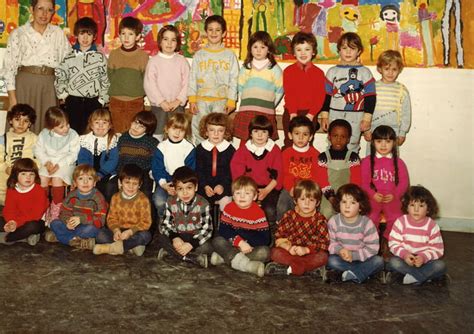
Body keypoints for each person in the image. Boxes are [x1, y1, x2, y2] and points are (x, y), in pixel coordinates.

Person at [3, 0, 71, 133]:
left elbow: (67, 63)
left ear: (53, 12)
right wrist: (12, 98)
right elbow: (9, 67)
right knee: (21, 125)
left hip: (49, 87)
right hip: (24, 86)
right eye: (40, 8)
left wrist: (64, 92)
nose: (44, 14)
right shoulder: (19, 33)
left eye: (49, 10)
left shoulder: (58, 34)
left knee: (49, 128)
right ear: (31, 9)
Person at [320, 32, 376, 151]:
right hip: (334, 115)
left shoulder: (365, 72)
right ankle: (332, 168)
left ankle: (352, 168)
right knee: (332, 145)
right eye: (344, 48)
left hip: (356, 116)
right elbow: (326, 95)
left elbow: (371, 97)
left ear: (359, 51)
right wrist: (324, 116)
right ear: (339, 51)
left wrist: (367, 118)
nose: (348, 52)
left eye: (352, 48)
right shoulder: (332, 72)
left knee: (352, 144)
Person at [187, 15, 239, 144]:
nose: (214, 33)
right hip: (201, 101)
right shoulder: (199, 55)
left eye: (217, 30)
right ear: (206, 32)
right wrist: (192, 99)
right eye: (210, 29)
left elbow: (234, 79)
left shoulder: (229, 55)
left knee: (220, 132)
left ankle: (220, 160)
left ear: (224, 33)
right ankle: (201, 159)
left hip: (221, 101)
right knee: (200, 131)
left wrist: (232, 101)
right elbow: (192, 77)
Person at [54, 17, 110, 135]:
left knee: (91, 133)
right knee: (73, 133)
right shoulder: (69, 57)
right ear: (76, 35)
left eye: (89, 34)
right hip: (73, 101)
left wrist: (102, 99)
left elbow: (105, 79)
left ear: (94, 36)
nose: (85, 38)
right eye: (81, 34)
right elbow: (60, 75)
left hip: (93, 102)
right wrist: (63, 94)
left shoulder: (100, 58)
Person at [265, 180, 329, 277]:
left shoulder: (320, 219)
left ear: (317, 202)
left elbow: (324, 243)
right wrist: (288, 247)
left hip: (310, 253)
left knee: (323, 257)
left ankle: (289, 269)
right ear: (295, 201)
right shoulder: (289, 216)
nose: (307, 204)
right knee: (274, 252)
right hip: (291, 251)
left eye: (311, 200)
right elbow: (279, 236)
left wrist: (306, 250)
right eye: (302, 199)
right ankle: (306, 269)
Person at [211, 176, 270, 277]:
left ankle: (224, 258)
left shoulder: (259, 213)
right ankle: (246, 265)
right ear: (233, 196)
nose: (242, 197)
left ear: (255, 196)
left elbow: (265, 239)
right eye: (238, 193)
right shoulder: (229, 208)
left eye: (247, 193)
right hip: (233, 243)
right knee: (217, 241)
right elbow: (223, 230)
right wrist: (239, 242)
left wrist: (246, 244)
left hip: (249, 248)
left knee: (265, 252)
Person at [231, 115, 282, 231]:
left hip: (269, 187)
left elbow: (278, 175)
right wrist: (249, 191)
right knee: (243, 206)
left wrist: (266, 190)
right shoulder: (243, 150)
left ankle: (270, 233)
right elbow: (237, 174)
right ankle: (241, 230)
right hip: (247, 188)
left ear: (269, 134)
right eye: (256, 131)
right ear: (250, 133)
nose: (260, 135)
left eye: (264, 132)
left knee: (269, 209)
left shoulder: (274, 150)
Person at [386, 186, 447, 285]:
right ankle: (422, 277)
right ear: (407, 206)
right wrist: (405, 255)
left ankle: (413, 277)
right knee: (393, 262)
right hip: (405, 259)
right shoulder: (401, 222)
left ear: (428, 209)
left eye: (421, 206)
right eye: (412, 205)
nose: (416, 209)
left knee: (440, 265)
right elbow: (393, 244)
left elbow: (437, 250)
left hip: (425, 262)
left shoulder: (432, 225)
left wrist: (423, 257)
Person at [361, 125, 409, 247]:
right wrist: (372, 194)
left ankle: (388, 241)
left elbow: (404, 183)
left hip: (392, 197)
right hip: (373, 197)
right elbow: (363, 183)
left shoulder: (399, 162)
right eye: (379, 141)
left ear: (394, 143)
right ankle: (372, 242)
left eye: (388, 141)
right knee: (370, 217)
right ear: (373, 142)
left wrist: (395, 195)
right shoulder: (367, 161)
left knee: (396, 217)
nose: (383, 145)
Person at [327, 184, 384, 283]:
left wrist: (354, 256)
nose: (347, 206)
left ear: (360, 207)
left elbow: (373, 248)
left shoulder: (367, 223)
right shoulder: (333, 221)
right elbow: (331, 243)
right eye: (344, 202)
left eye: (352, 202)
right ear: (338, 204)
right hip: (343, 258)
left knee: (378, 261)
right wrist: (340, 250)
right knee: (330, 260)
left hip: (363, 259)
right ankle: (360, 273)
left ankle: (353, 274)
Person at [157, 167, 213, 268]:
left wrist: (192, 244)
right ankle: (191, 258)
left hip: (194, 238)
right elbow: (165, 224)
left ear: (196, 187)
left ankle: (172, 254)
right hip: (178, 236)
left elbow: (207, 229)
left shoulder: (204, 204)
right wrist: (174, 237)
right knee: (161, 238)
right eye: (180, 189)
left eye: (189, 188)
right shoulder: (170, 201)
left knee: (207, 246)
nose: (185, 193)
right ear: (175, 189)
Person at [233, 31, 283, 143]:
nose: (258, 50)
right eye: (255, 47)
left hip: (266, 112)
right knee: (245, 142)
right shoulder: (246, 67)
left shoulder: (274, 69)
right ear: (250, 49)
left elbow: (280, 90)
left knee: (264, 142)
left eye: (262, 47)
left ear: (268, 49)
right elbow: (240, 87)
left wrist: (271, 104)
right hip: (247, 110)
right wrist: (246, 102)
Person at [93, 164, 152, 256]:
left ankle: (113, 248)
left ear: (140, 185)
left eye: (135, 184)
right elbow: (111, 219)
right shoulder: (115, 197)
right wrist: (116, 230)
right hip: (119, 232)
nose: (131, 187)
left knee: (146, 236)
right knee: (100, 234)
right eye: (127, 183)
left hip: (134, 232)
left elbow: (146, 222)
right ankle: (131, 247)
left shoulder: (143, 200)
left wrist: (130, 232)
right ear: (120, 183)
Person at [34, 106, 80, 224]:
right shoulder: (44, 134)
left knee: (57, 179)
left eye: (67, 124)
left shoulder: (73, 134)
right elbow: (38, 150)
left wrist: (59, 165)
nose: (66, 128)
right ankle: (43, 206)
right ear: (51, 128)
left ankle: (56, 208)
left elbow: (74, 154)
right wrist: (46, 162)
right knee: (42, 178)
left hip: (66, 164)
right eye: (61, 127)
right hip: (49, 163)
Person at [144, 25, 190, 141]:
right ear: (160, 41)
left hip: (177, 105)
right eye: (165, 39)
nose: (169, 43)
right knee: (157, 134)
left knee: (177, 132)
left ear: (177, 42)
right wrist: (161, 101)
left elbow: (188, 82)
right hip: (159, 106)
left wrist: (179, 100)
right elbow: (149, 84)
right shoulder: (153, 61)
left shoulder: (181, 61)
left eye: (173, 40)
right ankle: (158, 156)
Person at [277, 116, 327, 220]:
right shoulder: (286, 153)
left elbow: (318, 176)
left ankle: (310, 228)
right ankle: (281, 230)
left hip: (309, 190)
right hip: (290, 188)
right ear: (290, 135)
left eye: (305, 134)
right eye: (297, 134)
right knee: (282, 205)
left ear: (310, 137)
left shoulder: (316, 154)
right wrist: (291, 187)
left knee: (315, 206)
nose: (300, 138)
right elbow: (284, 174)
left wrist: (309, 190)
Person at [48, 164, 107, 249]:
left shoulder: (98, 197)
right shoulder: (71, 195)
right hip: (72, 227)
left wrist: (81, 219)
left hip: (86, 226)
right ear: (75, 183)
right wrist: (67, 221)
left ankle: (63, 237)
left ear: (94, 183)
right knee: (54, 223)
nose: (85, 182)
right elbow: (64, 212)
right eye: (81, 178)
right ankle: (77, 241)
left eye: (89, 179)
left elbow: (101, 220)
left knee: (92, 230)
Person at [282, 31, 325, 148]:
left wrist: (311, 115)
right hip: (291, 112)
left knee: (306, 144)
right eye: (299, 49)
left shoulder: (319, 73)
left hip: (310, 113)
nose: (303, 53)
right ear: (294, 53)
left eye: (307, 49)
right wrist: (292, 113)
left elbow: (320, 97)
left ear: (313, 51)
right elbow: (290, 94)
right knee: (289, 142)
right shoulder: (288, 71)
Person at [107, 16, 149, 133]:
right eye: (123, 33)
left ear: (138, 36)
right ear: (119, 35)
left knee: (134, 132)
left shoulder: (143, 56)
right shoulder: (114, 54)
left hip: (135, 100)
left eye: (130, 34)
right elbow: (110, 75)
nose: (126, 37)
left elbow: (146, 79)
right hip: (116, 100)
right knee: (117, 131)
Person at [364, 50, 411, 149]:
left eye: (394, 69)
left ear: (399, 70)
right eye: (386, 69)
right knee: (372, 160)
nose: (390, 73)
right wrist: (366, 130)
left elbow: (406, 114)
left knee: (391, 162)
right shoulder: (371, 88)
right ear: (379, 69)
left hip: (393, 132)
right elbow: (365, 109)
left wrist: (402, 133)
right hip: (374, 130)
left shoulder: (402, 90)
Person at [106, 111, 158, 201]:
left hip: (142, 174)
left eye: (141, 126)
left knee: (145, 194)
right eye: (135, 123)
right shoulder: (122, 138)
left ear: (147, 130)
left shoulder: (152, 142)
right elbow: (116, 159)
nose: (136, 127)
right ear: (131, 122)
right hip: (123, 172)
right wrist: (116, 175)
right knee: (110, 188)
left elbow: (155, 162)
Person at [152, 113, 195, 218]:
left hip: (183, 183)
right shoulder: (162, 147)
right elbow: (157, 168)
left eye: (181, 130)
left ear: (185, 132)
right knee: (159, 201)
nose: (177, 132)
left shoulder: (188, 148)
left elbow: (190, 170)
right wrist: (164, 185)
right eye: (174, 128)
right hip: (165, 182)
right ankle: (163, 222)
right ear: (166, 129)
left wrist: (180, 186)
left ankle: (181, 223)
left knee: (182, 203)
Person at [195, 113, 235, 223]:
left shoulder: (230, 150)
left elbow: (230, 171)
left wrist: (222, 185)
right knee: (202, 205)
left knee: (226, 203)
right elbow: (199, 170)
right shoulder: (200, 149)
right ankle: (206, 228)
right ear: (206, 131)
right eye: (212, 130)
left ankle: (224, 229)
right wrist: (205, 185)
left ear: (225, 132)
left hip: (223, 185)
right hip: (205, 185)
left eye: (220, 130)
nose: (216, 134)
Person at [318, 119, 361, 219]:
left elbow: (356, 181)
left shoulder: (353, 158)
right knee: (327, 212)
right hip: (327, 195)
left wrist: (348, 198)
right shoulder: (323, 157)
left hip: (348, 195)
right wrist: (332, 199)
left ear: (348, 139)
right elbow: (322, 181)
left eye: (343, 137)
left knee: (350, 213)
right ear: (329, 137)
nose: (338, 140)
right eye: (335, 136)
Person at [0, 158, 48, 246]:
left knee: (32, 227)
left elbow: (35, 215)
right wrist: (10, 221)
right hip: (16, 220)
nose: (28, 177)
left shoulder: (39, 191)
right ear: (15, 175)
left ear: (36, 176)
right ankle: (24, 237)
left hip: (34, 220)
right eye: (23, 174)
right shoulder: (12, 189)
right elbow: (9, 209)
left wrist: (16, 223)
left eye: (31, 174)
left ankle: (8, 238)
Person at [0, 104, 39, 205]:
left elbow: (39, 157)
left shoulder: (34, 138)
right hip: (7, 170)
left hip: (27, 172)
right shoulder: (3, 138)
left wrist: (31, 169)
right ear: (10, 121)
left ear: (30, 123)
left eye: (25, 121)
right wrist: (5, 168)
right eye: (17, 119)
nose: (21, 123)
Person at [77, 108, 119, 199]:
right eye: (97, 123)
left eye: (104, 123)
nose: (101, 126)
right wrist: (89, 174)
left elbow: (113, 160)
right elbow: (82, 158)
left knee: (105, 189)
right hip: (89, 172)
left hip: (107, 172)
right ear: (91, 125)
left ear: (109, 125)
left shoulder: (112, 140)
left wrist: (100, 174)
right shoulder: (86, 140)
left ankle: (103, 209)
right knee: (85, 186)